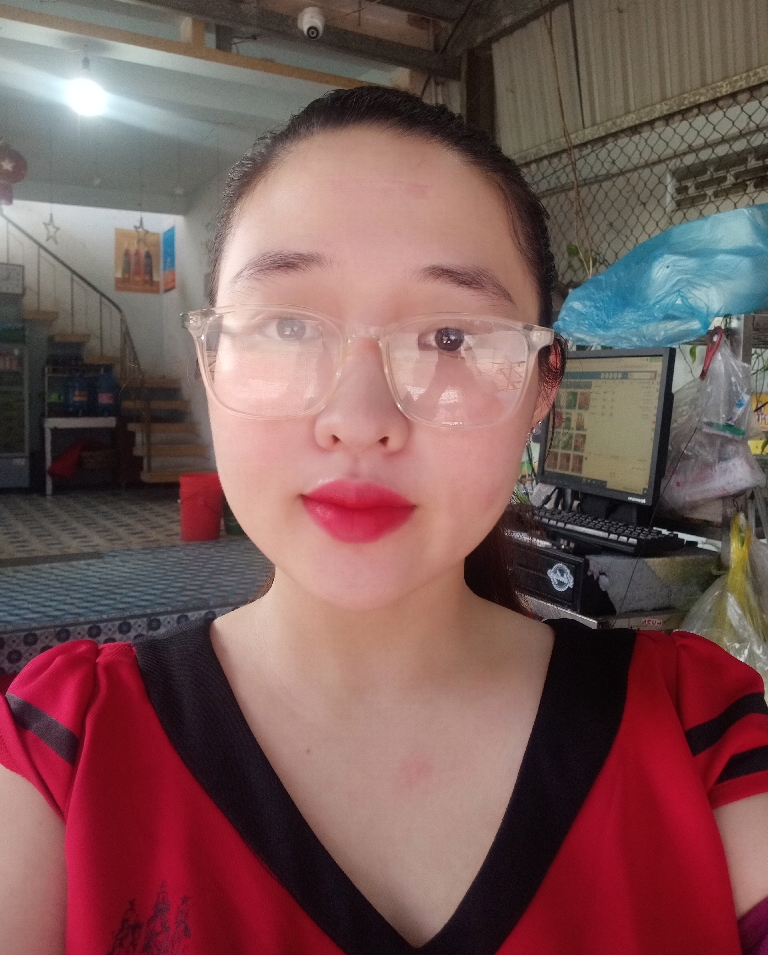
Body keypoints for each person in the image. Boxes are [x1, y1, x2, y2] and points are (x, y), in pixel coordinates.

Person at [1, 87, 768, 955]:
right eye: (287, 325)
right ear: (210, 360)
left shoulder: (696, 732)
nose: (359, 418)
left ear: (541, 389)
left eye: (450, 337)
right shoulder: (64, 751)